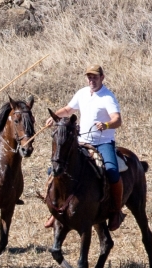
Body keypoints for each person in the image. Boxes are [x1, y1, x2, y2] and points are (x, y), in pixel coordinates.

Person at [44, 64, 123, 230]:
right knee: (55, 169)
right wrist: (55, 117)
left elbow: (118, 119)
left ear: (102, 77)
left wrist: (107, 124)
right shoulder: (82, 93)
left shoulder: (108, 97)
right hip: (81, 141)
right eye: (89, 77)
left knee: (112, 172)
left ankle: (116, 211)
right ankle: (56, 209)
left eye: (95, 77)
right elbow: (68, 109)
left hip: (102, 143)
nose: (92, 80)